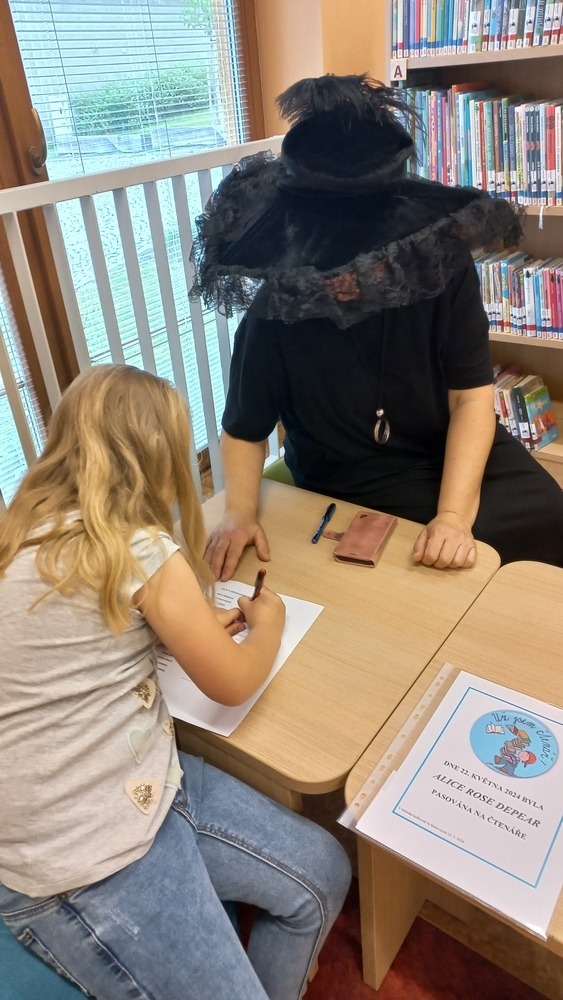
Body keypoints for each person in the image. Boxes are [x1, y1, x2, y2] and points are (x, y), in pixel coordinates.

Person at [0, 365, 351, 1000]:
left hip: (146, 785)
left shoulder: (23, 535)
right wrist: (269, 623)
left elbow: (76, 640)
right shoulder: (138, 548)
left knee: (322, 869)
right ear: (158, 462)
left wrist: (174, 627)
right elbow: (234, 682)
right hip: (77, 861)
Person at [191, 74, 563, 581]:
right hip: (350, 473)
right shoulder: (276, 309)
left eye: (367, 260)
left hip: (450, 443)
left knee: (548, 517)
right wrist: (237, 513)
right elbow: (244, 429)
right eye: (328, 264)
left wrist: (454, 515)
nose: (346, 279)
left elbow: (471, 398)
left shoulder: (443, 269)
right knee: (434, 569)